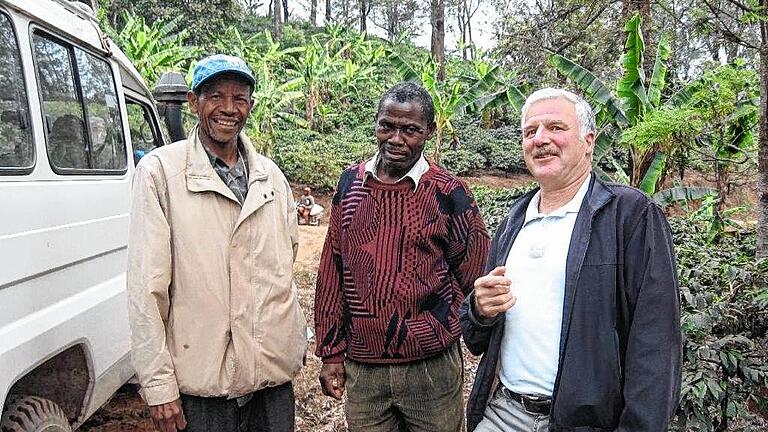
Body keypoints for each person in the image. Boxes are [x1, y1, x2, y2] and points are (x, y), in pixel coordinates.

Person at [461, 88, 682, 432]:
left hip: (585, 423)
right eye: (530, 131)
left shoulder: (630, 215)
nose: (540, 139)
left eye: (556, 127)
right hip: (503, 412)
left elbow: (655, 343)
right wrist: (479, 308)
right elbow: (475, 339)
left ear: (588, 141)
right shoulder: (515, 219)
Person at [127, 54, 307, 432]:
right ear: (194, 103)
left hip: (270, 382)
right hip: (204, 388)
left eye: (240, 98)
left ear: (251, 106)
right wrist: (159, 387)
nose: (228, 108)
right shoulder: (161, 173)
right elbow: (147, 291)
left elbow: (284, 264)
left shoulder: (271, 177)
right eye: (215, 96)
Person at [313, 82, 491, 432]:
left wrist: (438, 324)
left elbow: (472, 269)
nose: (396, 139)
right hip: (363, 368)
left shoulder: (449, 192)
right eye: (387, 126)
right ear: (376, 124)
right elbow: (333, 268)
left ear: (429, 132)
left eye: (410, 130)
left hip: (431, 369)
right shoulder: (350, 183)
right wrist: (331, 351)